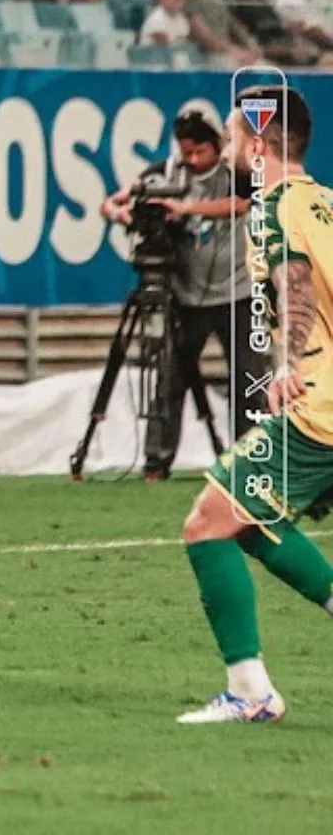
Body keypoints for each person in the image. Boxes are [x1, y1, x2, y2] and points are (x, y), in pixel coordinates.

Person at [172, 85, 333, 724]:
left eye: (237, 135)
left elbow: (292, 283)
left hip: (319, 406)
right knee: (250, 518)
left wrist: (287, 362)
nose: (231, 144)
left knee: (208, 522)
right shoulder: (325, 202)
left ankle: (251, 693)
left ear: (258, 144)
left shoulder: (272, 209)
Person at [98, 105, 264, 479]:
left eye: (198, 152)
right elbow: (111, 202)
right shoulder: (164, 174)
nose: (191, 159)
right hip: (183, 297)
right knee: (168, 379)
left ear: (216, 143)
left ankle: (251, 461)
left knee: (249, 381)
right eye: (185, 151)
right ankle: (157, 460)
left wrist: (186, 207)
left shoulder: (234, 171)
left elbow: (243, 203)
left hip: (238, 292)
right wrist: (125, 216)